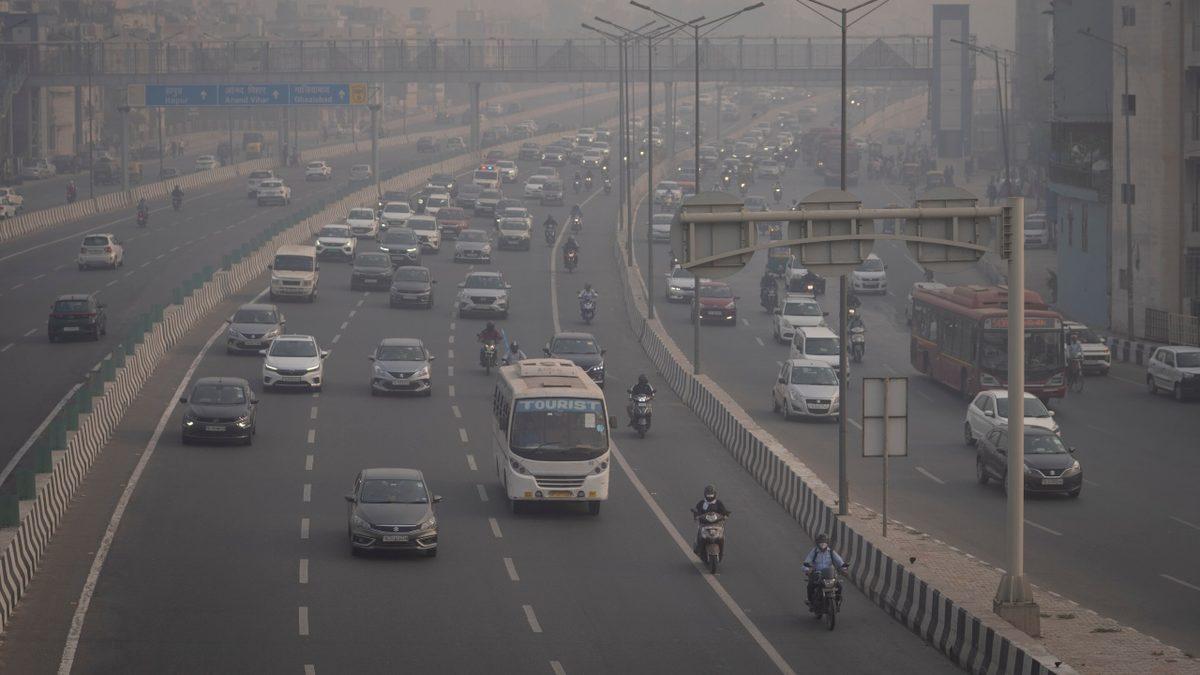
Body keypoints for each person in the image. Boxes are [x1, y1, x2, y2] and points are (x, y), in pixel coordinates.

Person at [803, 533, 848, 607]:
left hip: (830, 575)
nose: (823, 544)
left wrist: (844, 569)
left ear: (827, 542)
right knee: (810, 586)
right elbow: (806, 563)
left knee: (839, 587)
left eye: (824, 542)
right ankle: (810, 601)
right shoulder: (814, 552)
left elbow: (840, 562)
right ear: (817, 543)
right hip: (818, 574)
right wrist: (807, 569)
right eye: (821, 542)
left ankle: (836, 602)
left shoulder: (831, 552)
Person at [692, 485, 731, 557]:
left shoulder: (718, 503)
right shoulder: (702, 503)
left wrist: (726, 515)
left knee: (721, 537)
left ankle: (721, 551)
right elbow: (696, 510)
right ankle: (698, 547)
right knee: (699, 533)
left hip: (717, 524)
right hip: (704, 524)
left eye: (711, 495)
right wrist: (696, 515)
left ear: (714, 494)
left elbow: (724, 511)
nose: (710, 497)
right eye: (708, 495)